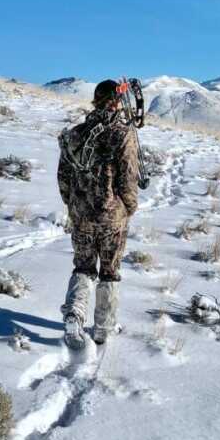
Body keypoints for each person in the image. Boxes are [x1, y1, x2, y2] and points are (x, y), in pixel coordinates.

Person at [57, 79, 140, 349]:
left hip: (81, 215)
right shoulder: (122, 133)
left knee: (83, 267)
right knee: (109, 272)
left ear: (96, 100)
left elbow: (63, 178)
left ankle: (74, 314)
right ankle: (102, 329)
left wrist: (73, 205)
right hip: (111, 217)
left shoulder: (75, 134)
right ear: (116, 102)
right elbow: (128, 178)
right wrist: (129, 207)